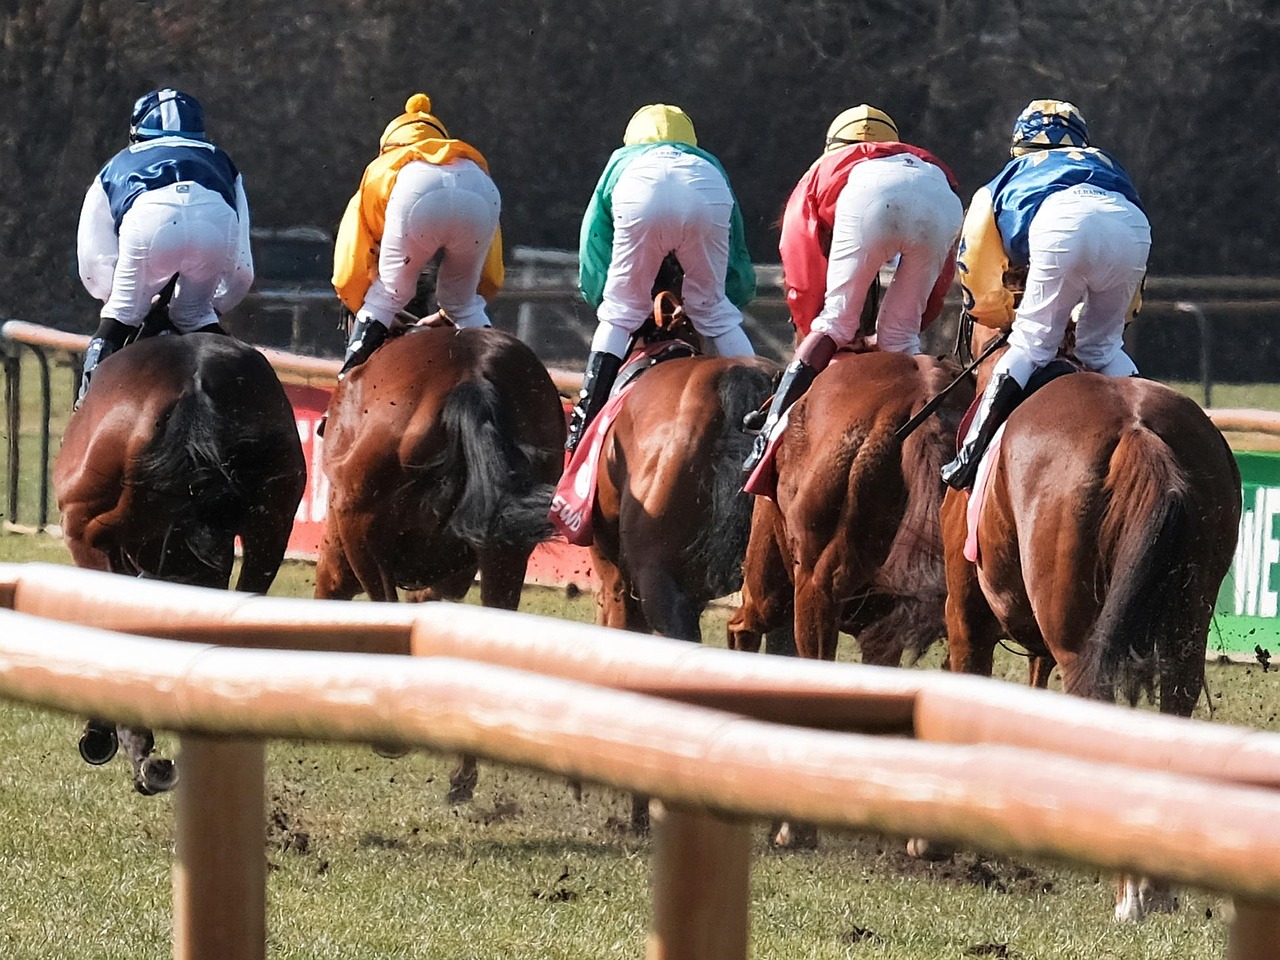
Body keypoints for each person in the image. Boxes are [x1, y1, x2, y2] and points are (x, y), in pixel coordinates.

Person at [940, 99, 1150, 489]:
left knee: (1031, 344)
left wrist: (1004, 315)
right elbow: (1131, 303)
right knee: (1102, 351)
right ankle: (1154, 428)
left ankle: (969, 455)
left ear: (1022, 144)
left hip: (1062, 224)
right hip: (1130, 223)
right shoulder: (1107, 164)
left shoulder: (1010, 174)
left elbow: (975, 270)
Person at [743, 104, 962, 473]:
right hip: (944, 199)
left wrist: (816, 323)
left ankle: (767, 433)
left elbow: (801, 261)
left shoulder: (823, 170)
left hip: (872, 199)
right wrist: (907, 324)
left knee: (834, 322)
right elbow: (941, 279)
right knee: (902, 337)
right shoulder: (920, 162)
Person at [568, 103, 757, 453]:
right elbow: (737, 246)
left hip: (640, 190)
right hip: (705, 192)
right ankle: (763, 414)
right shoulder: (708, 163)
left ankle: (583, 424)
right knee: (717, 315)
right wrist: (731, 296)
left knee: (619, 314)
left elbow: (593, 240)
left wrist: (600, 296)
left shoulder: (620, 163)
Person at [75, 88, 253, 408]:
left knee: (122, 313)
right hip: (213, 223)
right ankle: (243, 400)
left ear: (136, 133)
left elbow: (94, 260)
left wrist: (126, 300)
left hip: (149, 222)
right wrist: (216, 304)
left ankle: (86, 405)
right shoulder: (222, 161)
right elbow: (241, 267)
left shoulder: (116, 165)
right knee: (195, 314)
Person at [332, 93, 503, 378]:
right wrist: (455, 309)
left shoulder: (385, 166)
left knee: (386, 296)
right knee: (464, 305)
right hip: (481, 190)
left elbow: (349, 267)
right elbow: (492, 271)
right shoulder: (465, 160)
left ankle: (346, 382)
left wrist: (368, 305)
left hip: (416, 190)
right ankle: (500, 378)